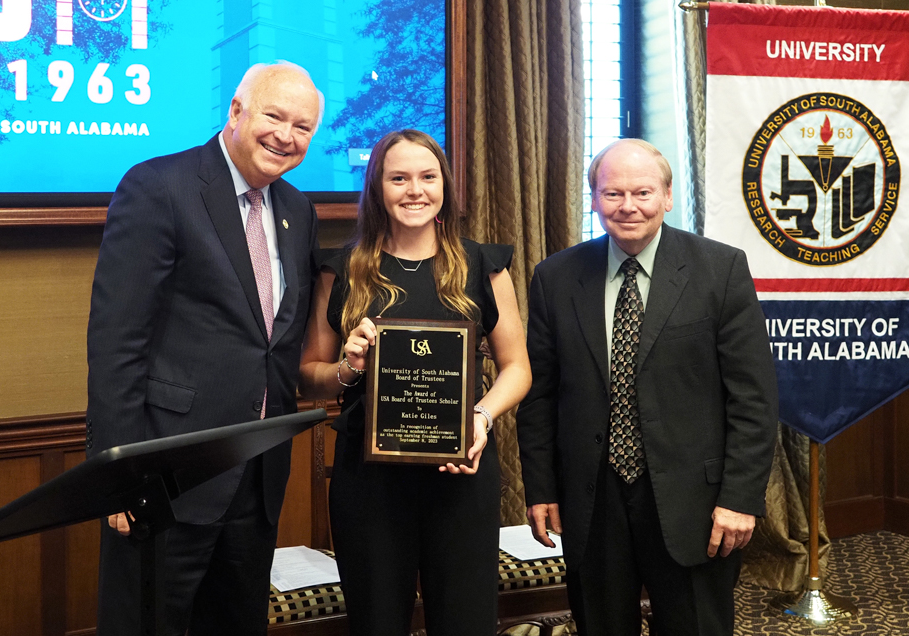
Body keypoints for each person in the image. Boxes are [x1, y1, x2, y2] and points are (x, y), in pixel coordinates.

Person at [86, 61, 323, 636]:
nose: (286, 137)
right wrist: (119, 475)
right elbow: (117, 343)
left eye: (304, 128)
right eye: (274, 116)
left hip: (256, 478)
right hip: (166, 479)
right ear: (236, 112)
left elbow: (275, 343)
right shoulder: (159, 187)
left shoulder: (297, 209)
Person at [517, 139, 778, 636]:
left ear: (668, 196)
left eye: (642, 191)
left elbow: (754, 398)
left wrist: (741, 497)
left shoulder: (720, 270)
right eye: (612, 193)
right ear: (593, 199)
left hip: (695, 505)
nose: (628, 206)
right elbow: (540, 395)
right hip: (593, 503)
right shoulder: (555, 277)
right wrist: (542, 487)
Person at [298, 129, 531, 636]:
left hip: (461, 472)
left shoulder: (482, 266)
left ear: (444, 185)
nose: (414, 190)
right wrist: (349, 366)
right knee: (377, 621)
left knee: (465, 622)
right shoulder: (339, 271)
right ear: (377, 187)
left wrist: (481, 417)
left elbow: (518, 368)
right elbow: (311, 377)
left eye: (427, 177)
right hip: (370, 484)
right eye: (398, 177)